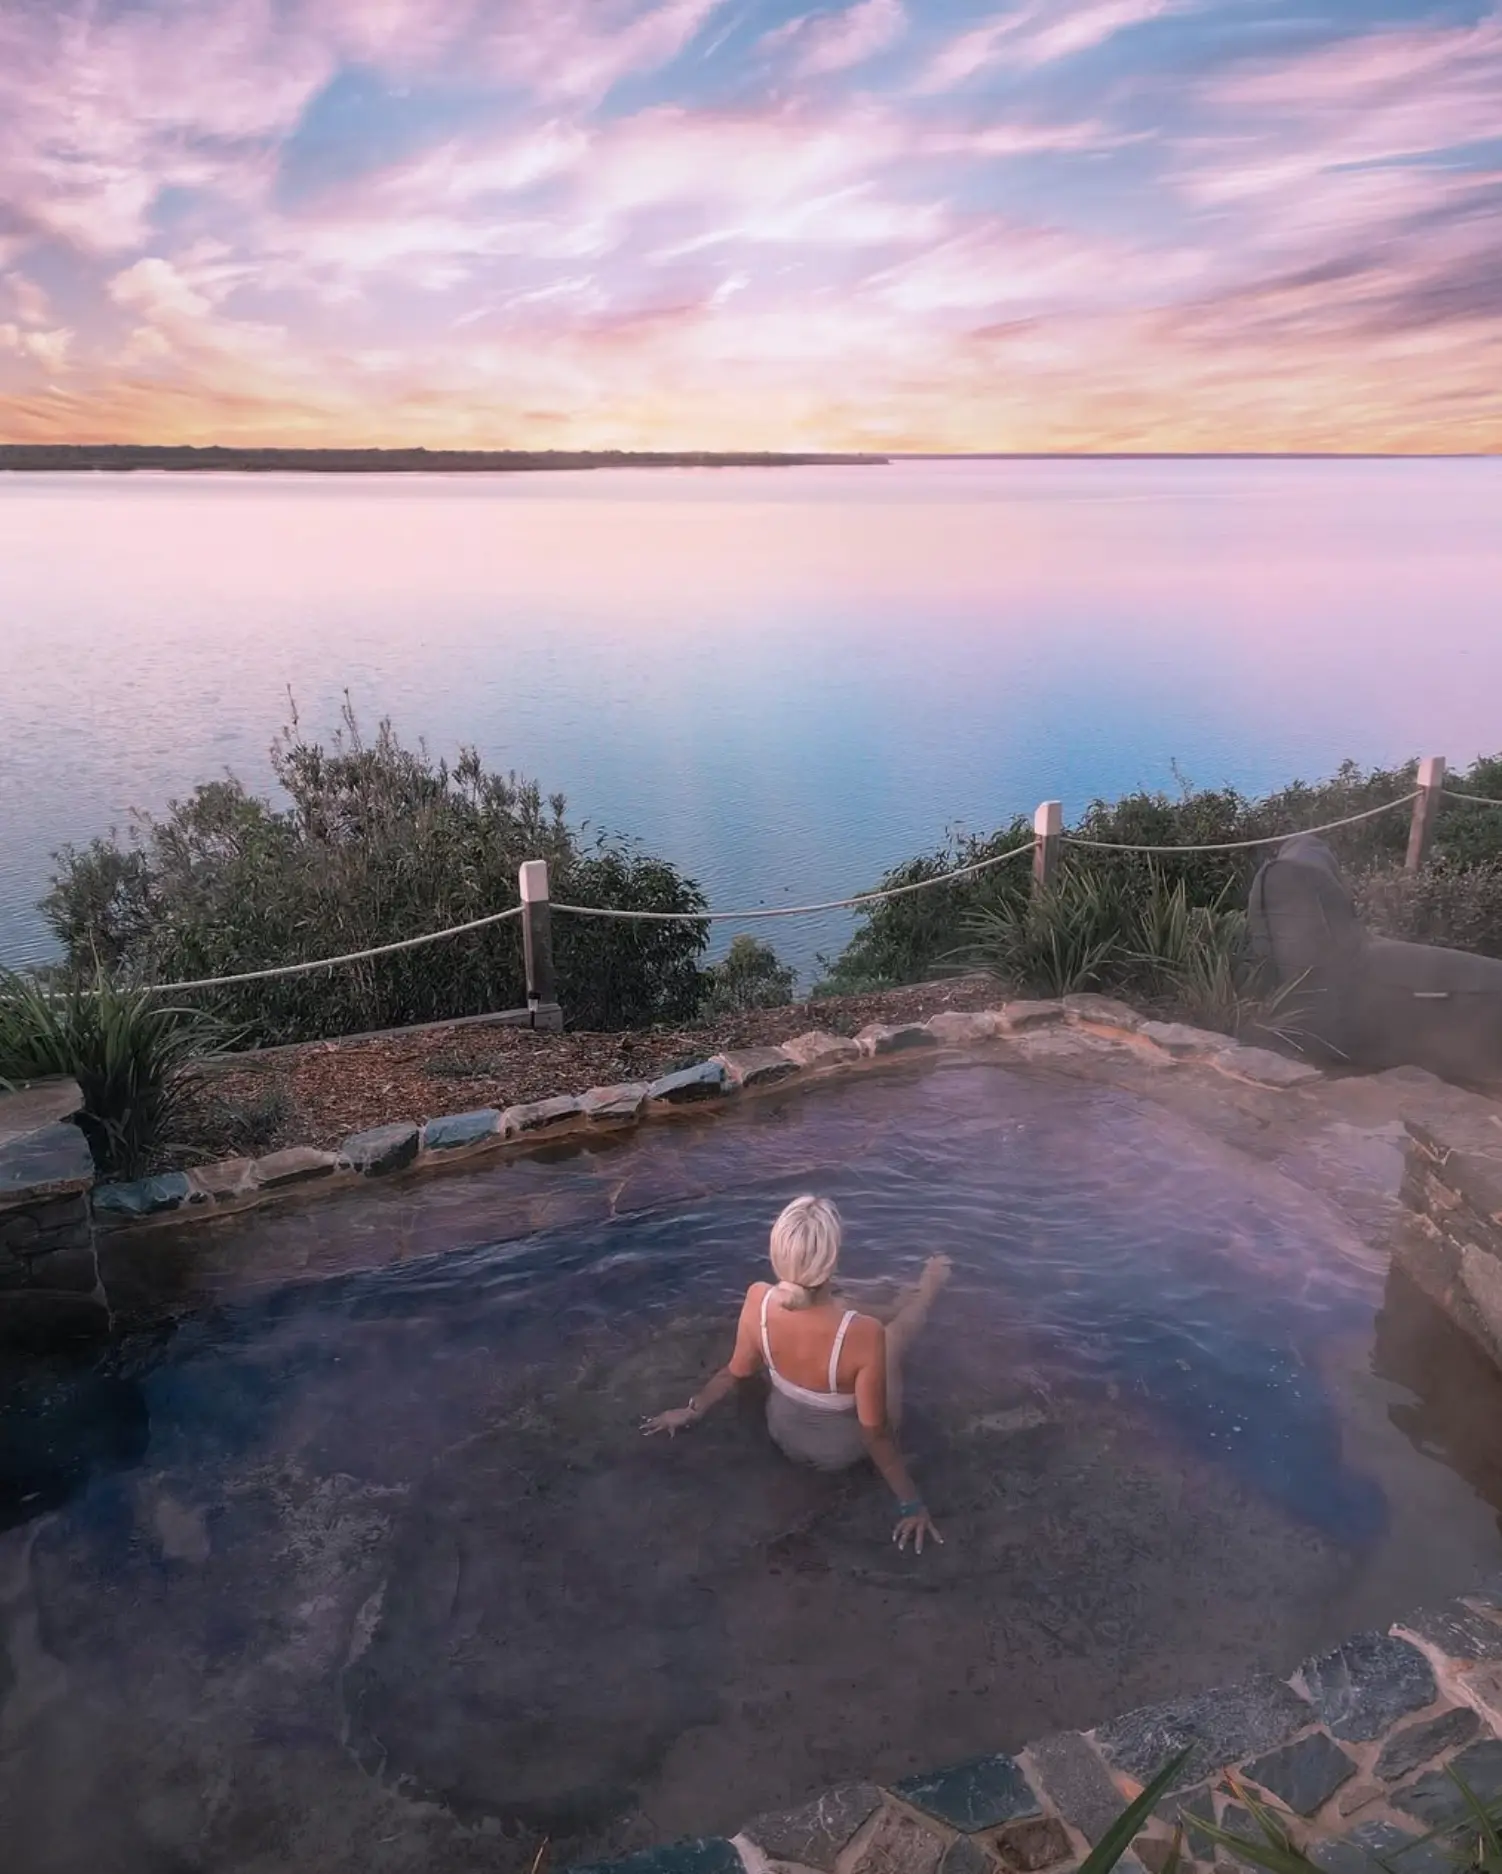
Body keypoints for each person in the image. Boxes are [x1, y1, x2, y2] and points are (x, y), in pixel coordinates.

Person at [641, 1194, 950, 1553]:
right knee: (893, 1336)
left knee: (847, 1312)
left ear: (776, 1254)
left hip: (782, 1433)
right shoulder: (865, 1335)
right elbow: (877, 1434)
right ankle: (928, 1290)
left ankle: (885, 1302)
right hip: (839, 1454)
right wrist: (911, 1502)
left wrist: (693, 1409)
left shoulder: (758, 1299)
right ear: (832, 1260)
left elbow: (735, 1371)